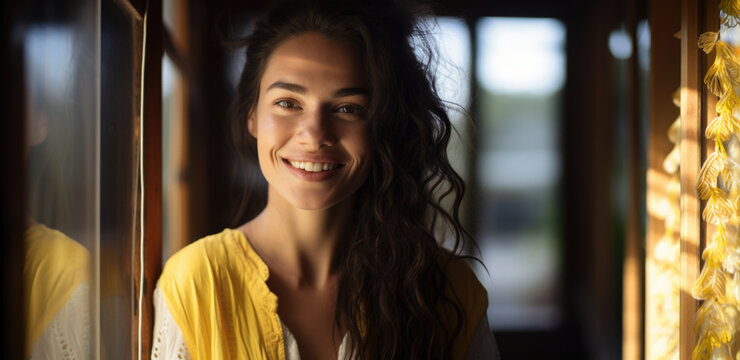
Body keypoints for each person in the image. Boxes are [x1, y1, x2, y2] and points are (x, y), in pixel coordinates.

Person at [151, 0, 499, 359]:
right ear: (251, 116)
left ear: (383, 126)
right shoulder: (197, 282)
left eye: (348, 109)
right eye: (288, 103)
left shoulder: (449, 291)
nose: (315, 134)